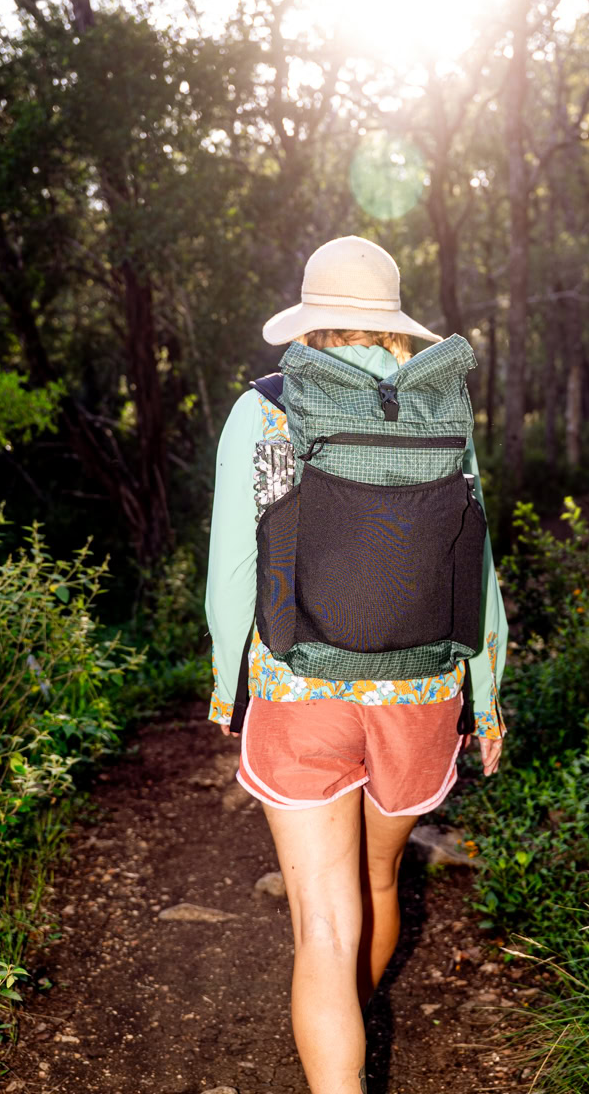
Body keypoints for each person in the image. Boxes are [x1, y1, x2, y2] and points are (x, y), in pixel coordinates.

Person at [205, 236, 507, 1094]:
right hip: (420, 693)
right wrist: (485, 695)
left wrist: (229, 685)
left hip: (302, 689)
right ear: (394, 325)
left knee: (325, 931)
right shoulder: (441, 407)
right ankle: (344, 1021)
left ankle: (330, 1031)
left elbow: (234, 570)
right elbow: (473, 561)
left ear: (314, 321)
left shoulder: (264, 408)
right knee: (379, 884)